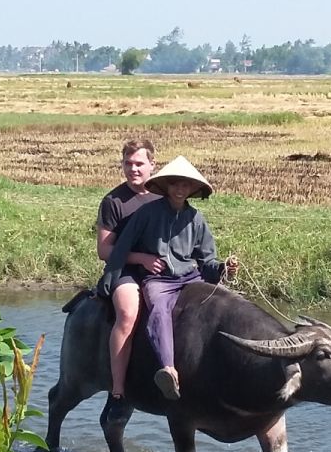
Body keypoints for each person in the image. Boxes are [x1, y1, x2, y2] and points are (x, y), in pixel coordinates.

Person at [99, 155, 238, 401]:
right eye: (175, 184)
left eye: (185, 185)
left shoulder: (196, 219)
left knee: (224, 305)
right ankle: (168, 368)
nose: (180, 189)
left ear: (193, 189)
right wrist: (111, 280)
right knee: (159, 310)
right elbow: (121, 247)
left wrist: (223, 269)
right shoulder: (146, 213)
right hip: (159, 280)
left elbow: (207, 262)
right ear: (166, 186)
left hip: (190, 276)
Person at [97, 140, 163, 414]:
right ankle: (118, 389)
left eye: (139, 164)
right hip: (125, 270)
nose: (133, 169)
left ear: (152, 165)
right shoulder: (113, 201)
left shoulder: (164, 197)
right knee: (127, 314)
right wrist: (141, 259)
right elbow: (104, 250)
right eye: (128, 163)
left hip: (162, 270)